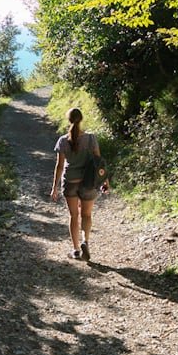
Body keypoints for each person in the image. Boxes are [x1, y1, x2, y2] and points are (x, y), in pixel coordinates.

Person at [50, 107, 108, 260]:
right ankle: (85, 241)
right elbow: (99, 163)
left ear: (68, 120)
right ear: (81, 119)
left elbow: (60, 166)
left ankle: (76, 250)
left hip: (70, 182)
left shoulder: (62, 141)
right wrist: (105, 181)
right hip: (89, 182)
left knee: (74, 216)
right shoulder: (90, 138)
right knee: (87, 215)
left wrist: (54, 187)